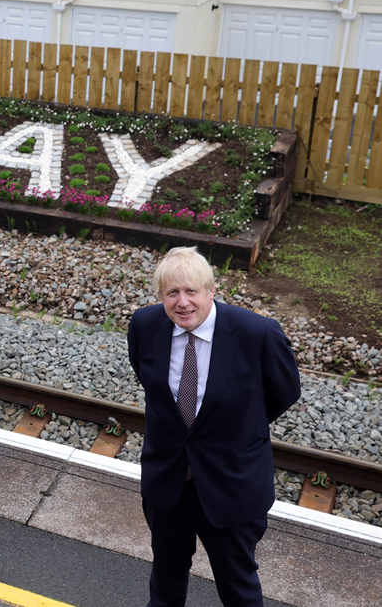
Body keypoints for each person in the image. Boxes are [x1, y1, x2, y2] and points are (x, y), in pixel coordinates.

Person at [127, 246, 300, 607]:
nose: (183, 302)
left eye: (192, 291)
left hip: (230, 485)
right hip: (168, 483)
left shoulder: (258, 333)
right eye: (172, 293)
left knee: (238, 589)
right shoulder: (145, 326)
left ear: (211, 290)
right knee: (165, 581)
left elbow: (285, 392)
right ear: (161, 296)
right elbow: (150, 383)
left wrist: (237, 427)